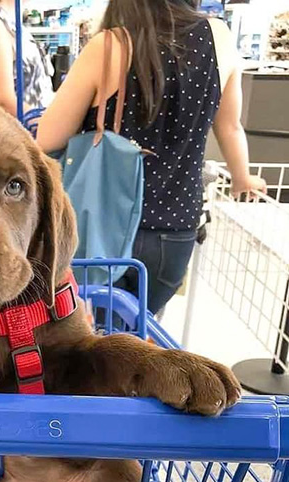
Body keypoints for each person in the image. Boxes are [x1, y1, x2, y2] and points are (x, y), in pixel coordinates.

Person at [36, 0, 266, 315]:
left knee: (94, 335)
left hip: (101, 227)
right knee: (141, 328)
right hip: (175, 235)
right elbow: (229, 126)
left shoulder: (109, 46)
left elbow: (48, 139)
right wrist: (243, 177)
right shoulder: (219, 36)